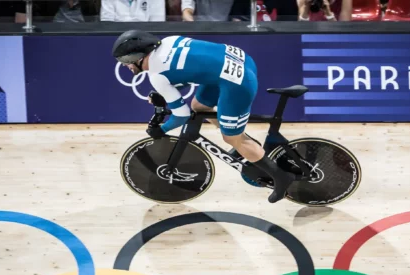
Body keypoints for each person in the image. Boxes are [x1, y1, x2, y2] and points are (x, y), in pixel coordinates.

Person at [111, 29, 296, 203]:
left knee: (231, 137)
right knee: (198, 106)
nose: (125, 65)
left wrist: (162, 129)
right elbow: (190, 70)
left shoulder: (157, 76)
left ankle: (281, 177)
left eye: (126, 60)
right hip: (241, 61)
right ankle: (241, 142)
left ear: (137, 57)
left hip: (236, 83)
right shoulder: (169, 41)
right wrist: (166, 93)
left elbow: (182, 116)